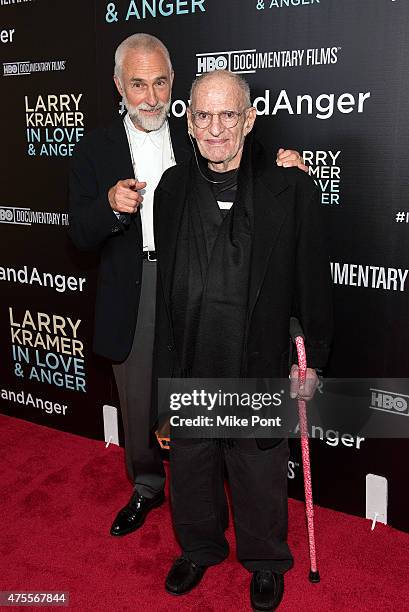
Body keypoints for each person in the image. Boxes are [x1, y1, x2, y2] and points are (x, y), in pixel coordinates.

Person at [68, 33, 308, 539]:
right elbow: (77, 231)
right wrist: (109, 205)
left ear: (173, 82)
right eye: (138, 84)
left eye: (160, 82)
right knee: (140, 401)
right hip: (135, 285)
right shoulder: (95, 148)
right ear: (118, 86)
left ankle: (208, 493)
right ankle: (148, 486)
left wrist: (285, 166)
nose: (151, 96)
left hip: (200, 282)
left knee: (199, 391)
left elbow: (244, 165)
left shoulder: (199, 129)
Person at [152, 70, 333, 611]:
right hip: (191, 360)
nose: (215, 128)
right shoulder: (171, 189)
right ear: (187, 122)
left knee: (257, 471)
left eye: (228, 114)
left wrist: (314, 360)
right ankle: (200, 549)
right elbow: (164, 292)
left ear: (249, 120)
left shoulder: (291, 186)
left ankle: (265, 560)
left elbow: (313, 283)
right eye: (203, 115)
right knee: (192, 467)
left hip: (256, 358)